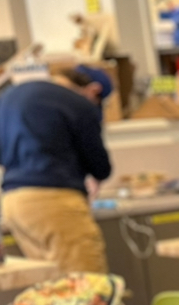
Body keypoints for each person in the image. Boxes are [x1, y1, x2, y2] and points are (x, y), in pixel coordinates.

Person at [0, 65, 114, 272]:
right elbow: (100, 166)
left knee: (51, 289)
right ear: (94, 90)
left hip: (13, 203)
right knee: (86, 288)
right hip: (55, 203)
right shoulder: (77, 103)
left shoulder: (9, 98)